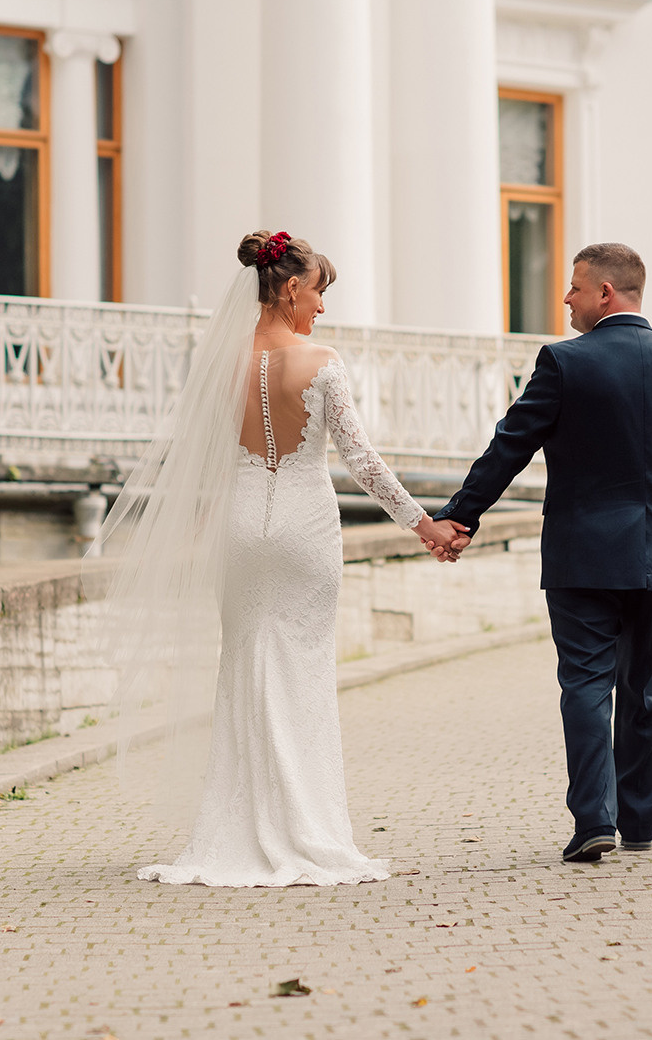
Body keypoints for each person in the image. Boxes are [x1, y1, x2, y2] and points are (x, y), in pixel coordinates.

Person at [101, 230, 465, 887]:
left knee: (243, 669)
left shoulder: (222, 362)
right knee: (301, 673)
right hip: (304, 527)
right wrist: (424, 523)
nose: (322, 309)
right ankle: (309, 828)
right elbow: (361, 460)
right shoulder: (322, 361)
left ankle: (236, 829)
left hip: (242, 526)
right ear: (293, 286)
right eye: (320, 292)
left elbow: (207, 457)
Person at [432, 242, 652, 863]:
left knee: (586, 684)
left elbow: (511, 444)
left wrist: (460, 516)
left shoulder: (564, 362)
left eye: (575, 287)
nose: (566, 298)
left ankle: (595, 821)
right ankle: (641, 823)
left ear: (606, 293)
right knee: (646, 687)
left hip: (583, 554)